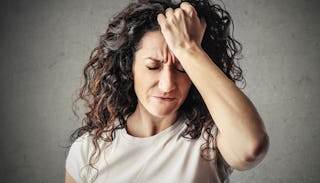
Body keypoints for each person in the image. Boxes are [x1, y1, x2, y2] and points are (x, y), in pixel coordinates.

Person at [65, 0, 269, 182]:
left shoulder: (209, 139)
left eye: (182, 69)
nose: (167, 85)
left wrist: (189, 48)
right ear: (129, 68)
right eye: (152, 67)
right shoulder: (88, 150)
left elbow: (251, 147)